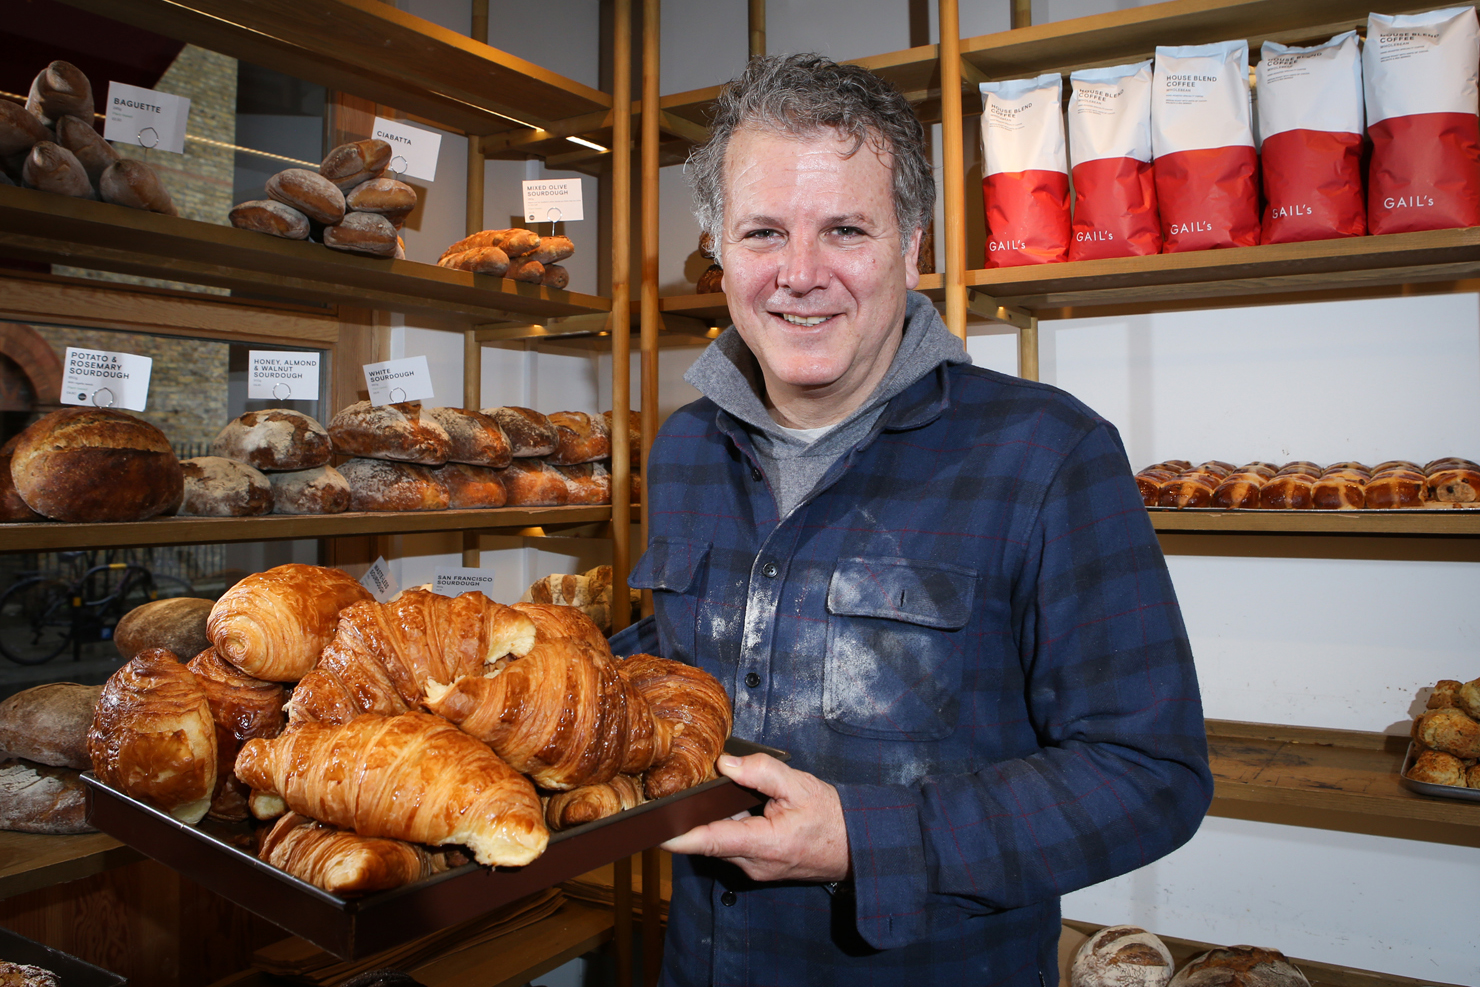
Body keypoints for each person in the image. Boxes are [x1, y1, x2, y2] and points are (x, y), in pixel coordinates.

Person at [608, 53, 1213, 986]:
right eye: (763, 231)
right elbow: (697, 651)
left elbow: (1149, 773)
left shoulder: (1046, 454)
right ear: (719, 251)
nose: (799, 274)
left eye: (845, 228)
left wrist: (868, 839)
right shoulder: (686, 447)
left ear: (913, 247)